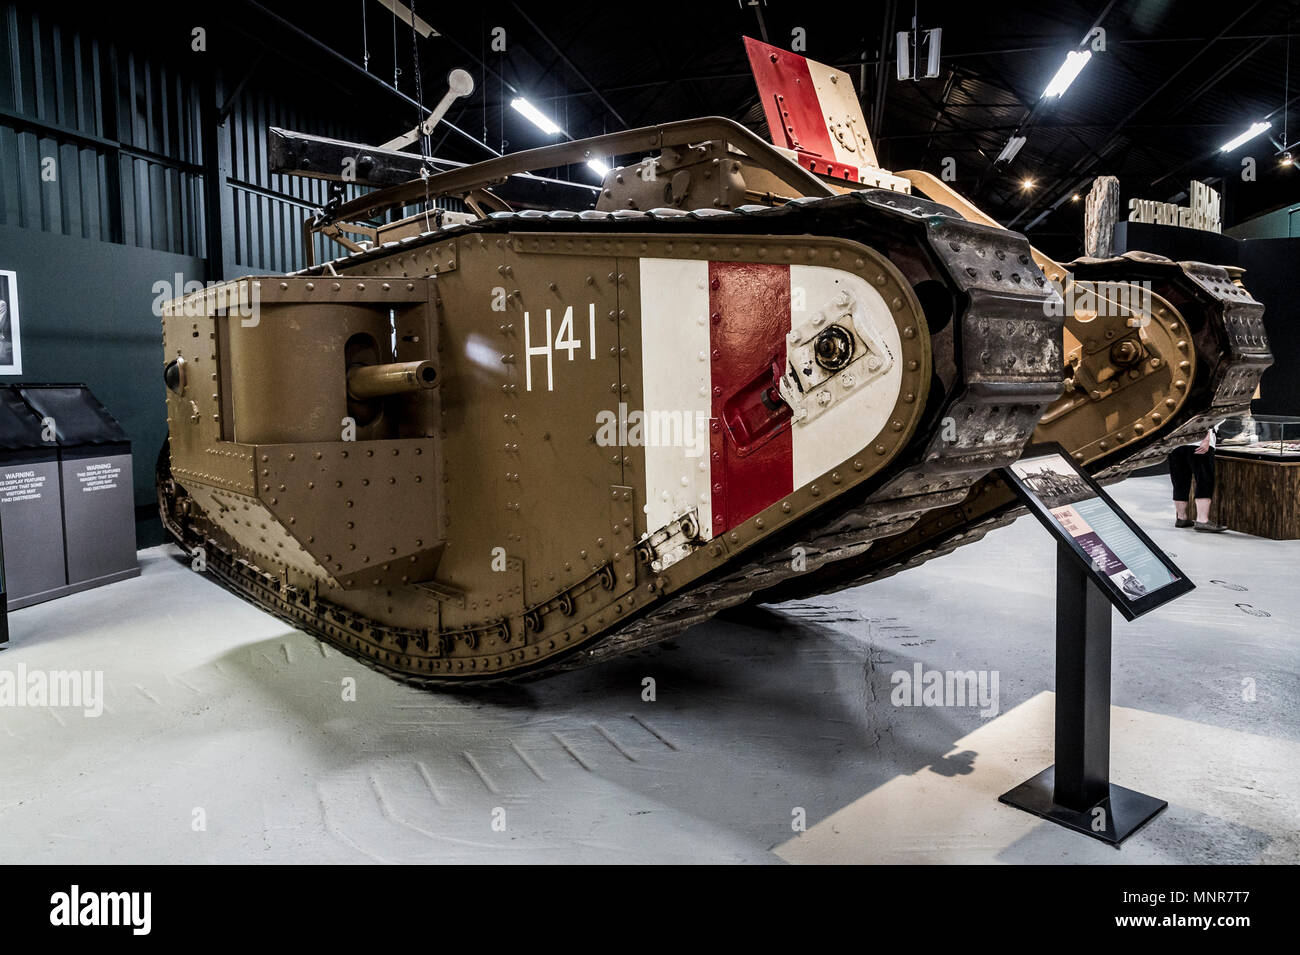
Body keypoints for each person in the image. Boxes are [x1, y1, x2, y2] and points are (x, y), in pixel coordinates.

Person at [1169, 425, 1225, 532]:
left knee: (1179, 482)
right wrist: (1206, 439)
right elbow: (1210, 419)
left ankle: (1181, 518)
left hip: (1175, 444)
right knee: (1204, 480)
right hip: (1198, 444)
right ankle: (1202, 520)